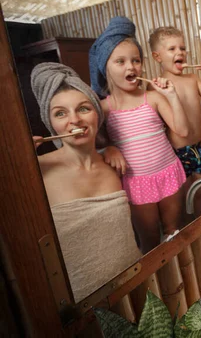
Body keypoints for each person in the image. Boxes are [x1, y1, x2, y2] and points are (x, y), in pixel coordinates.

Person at [31, 62, 141, 303]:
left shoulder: (114, 163)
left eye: (83, 109)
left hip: (136, 288)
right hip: (81, 306)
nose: (74, 121)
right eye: (60, 113)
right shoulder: (37, 170)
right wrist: (14, 164)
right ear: (50, 124)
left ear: (97, 115)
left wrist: (110, 148)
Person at [89, 17, 190, 254]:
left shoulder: (153, 98)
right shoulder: (103, 108)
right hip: (136, 183)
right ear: (106, 67)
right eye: (120, 61)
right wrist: (108, 149)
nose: (130, 67)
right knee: (150, 242)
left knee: (173, 232)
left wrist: (173, 96)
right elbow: (91, 146)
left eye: (136, 60)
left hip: (168, 173)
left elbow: (183, 131)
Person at [149, 26, 201, 216]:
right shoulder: (158, 86)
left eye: (182, 48)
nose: (179, 52)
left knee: (200, 190)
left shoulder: (192, 78)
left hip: (199, 146)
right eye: (172, 49)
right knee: (182, 195)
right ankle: (184, 228)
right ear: (157, 57)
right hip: (177, 151)